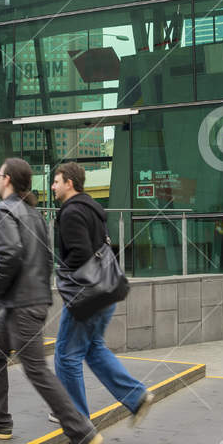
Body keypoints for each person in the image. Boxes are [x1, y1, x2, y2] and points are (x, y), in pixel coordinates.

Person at [0, 158, 103, 444]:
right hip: (31, 300)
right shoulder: (34, 213)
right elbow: (45, 257)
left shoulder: (5, 210)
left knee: (37, 370)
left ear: (8, 179)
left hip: (22, 303)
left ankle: (80, 431)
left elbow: (11, 253)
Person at [51, 162, 152, 424]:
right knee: (94, 348)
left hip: (87, 296)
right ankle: (136, 397)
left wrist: (64, 274)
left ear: (69, 183)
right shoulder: (92, 208)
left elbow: (81, 253)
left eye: (56, 181)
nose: (52, 187)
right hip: (107, 290)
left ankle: (78, 424)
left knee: (66, 356)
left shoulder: (71, 212)